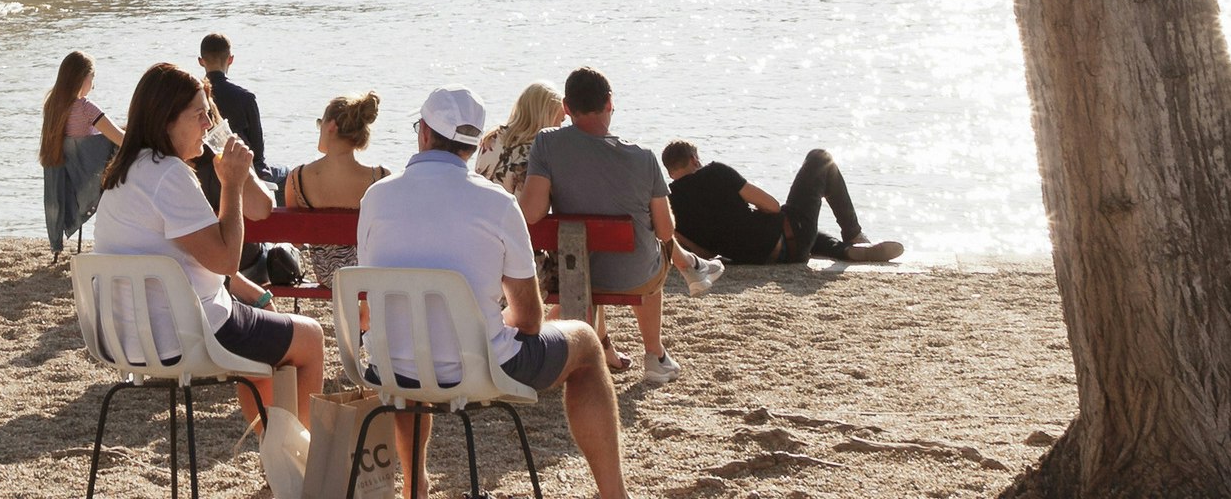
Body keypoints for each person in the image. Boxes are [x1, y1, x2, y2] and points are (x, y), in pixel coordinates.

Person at [350, 85, 632, 499]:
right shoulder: (497, 203)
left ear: (424, 133)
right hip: (477, 370)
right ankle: (614, 495)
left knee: (411, 349)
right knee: (587, 344)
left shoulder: (376, 197)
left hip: (389, 367)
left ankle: (416, 487)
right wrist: (480, 326)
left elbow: (372, 286)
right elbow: (531, 319)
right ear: (470, 145)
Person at [88, 61, 321, 448]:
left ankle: (277, 452)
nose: (206, 125)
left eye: (208, 115)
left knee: (266, 345)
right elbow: (227, 260)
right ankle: (304, 463)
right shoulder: (169, 174)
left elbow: (210, 248)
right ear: (166, 120)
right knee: (310, 338)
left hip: (125, 338)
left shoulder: (125, 172)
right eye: (199, 116)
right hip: (186, 335)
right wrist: (230, 184)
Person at [519, 66, 696, 387]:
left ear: (567, 108)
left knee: (594, 259)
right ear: (610, 102)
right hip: (633, 279)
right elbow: (666, 230)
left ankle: (603, 346)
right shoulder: (644, 158)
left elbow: (531, 213)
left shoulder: (546, 143)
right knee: (658, 253)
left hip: (573, 274)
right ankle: (655, 355)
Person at [659, 140, 901, 268]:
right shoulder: (715, 172)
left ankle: (846, 251)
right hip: (790, 237)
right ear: (694, 159)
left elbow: (706, 253)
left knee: (800, 229)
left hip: (759, 256)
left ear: (670, 173)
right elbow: (772, 206)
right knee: (820, 159)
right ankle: (854, 235)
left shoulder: (669, 205)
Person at [281, 93, 391, 292]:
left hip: (328, 276)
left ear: (331, 126)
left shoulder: (297, 179)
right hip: (368, 273)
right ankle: (365, 310)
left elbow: (296, 239)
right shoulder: (380, 178)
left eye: (320, 124)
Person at [37, 52, 120, 258]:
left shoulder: (52, 106)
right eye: (92, 78)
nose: (93, 85)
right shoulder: (85, 108)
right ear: (83, 78)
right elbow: (120, 138)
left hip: (64, 180)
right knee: (117, 146)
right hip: (86, 180)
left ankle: (58, 250)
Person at [198, 32, 270, 193]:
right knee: (285, 173)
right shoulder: (245, 98)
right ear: (230, 59)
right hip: (239, 173)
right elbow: (257, 152)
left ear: (201, 61)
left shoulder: (192, 99)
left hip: (203, 176)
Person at [471, 81, 563, 195]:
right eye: (560, 120)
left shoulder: (492, 136)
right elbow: (526, 209)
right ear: (545, 116)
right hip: (508, 211)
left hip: (478, 206)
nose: (560, 127)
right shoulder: (533, 155)